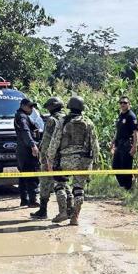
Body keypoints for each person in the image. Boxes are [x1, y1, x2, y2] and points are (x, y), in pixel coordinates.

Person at [47, 96, 100, 225]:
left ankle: (63, 211)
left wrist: (50, 159)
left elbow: (55, 141)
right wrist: (96, 162)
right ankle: (75, 216)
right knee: (78, 188)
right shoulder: (89, 123)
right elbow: (95, 145)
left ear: (69, 107)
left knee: (59, 184)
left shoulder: (62, 121)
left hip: (65, 160)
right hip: (83, 161)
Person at [30, 97, 73, 219]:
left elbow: (47, 140)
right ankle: (70, 208)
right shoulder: (67, 118)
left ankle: (43, 210)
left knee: (45, 182)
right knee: (63, 181)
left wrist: (43, 156)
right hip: (65, 156)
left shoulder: (52, 120)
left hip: (51, 156)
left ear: (52, 107)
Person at [14, 98, 40, 208]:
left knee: (24, 175)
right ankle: (32, 200)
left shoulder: (22, 116)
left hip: (22, 150)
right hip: (26, 150)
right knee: (31, 175)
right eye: (30, 106)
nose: (32, 109)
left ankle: (24, 200)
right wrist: (33, 145)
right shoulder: (22, 117)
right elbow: (25, 132)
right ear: (23, 106)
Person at [111, 96, 138, 190]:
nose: (123, 104)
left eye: (125, 103)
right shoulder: (121, 115)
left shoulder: (131, 116)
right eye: (121, 103)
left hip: (128, 144)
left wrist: (134, 147)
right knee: (115, 166)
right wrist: (113, 142)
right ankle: (123, 185)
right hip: (119, 144)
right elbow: (118, 130)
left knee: (125, 167)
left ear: (129, 104)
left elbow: (136, 132)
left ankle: (127, 188)